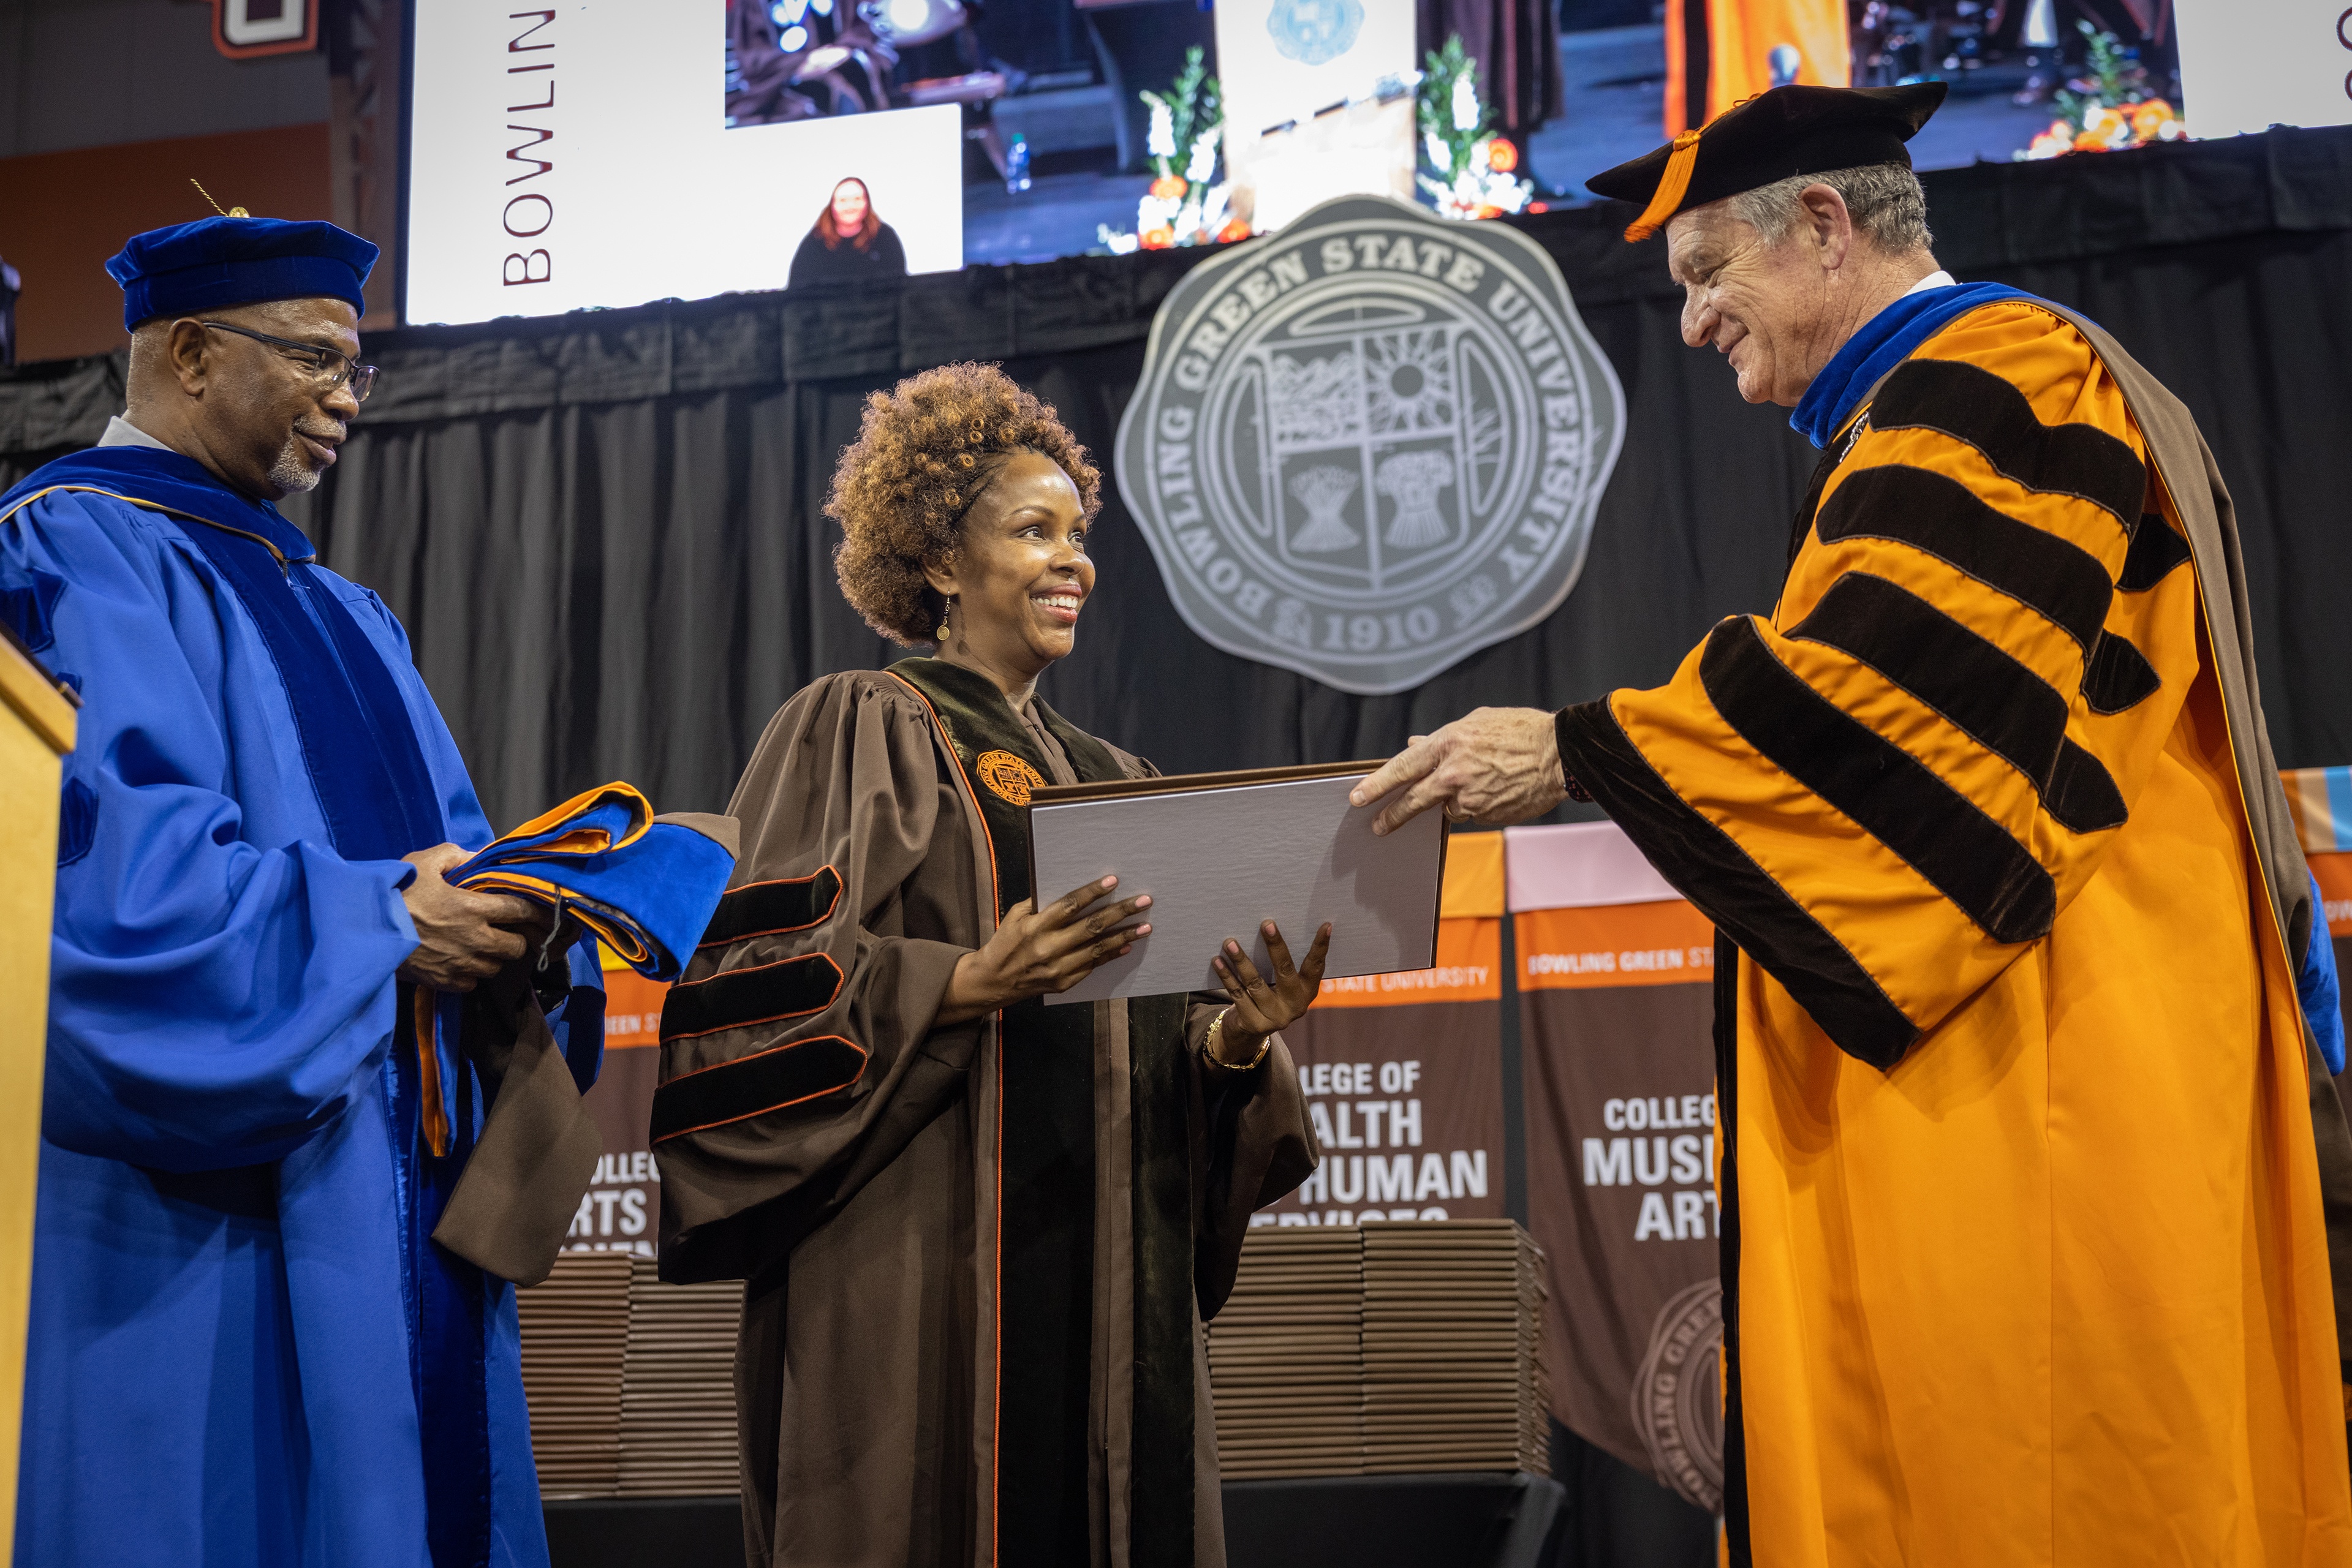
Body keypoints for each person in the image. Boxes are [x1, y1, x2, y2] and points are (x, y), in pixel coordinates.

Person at [1352, 84, 2352, 1564]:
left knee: (2048, 1482)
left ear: (1823, 221)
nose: (1691, 324)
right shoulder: (1943, 403)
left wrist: (1571, 745)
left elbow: (1882, 697)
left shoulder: (2006, 371)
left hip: (2052, 1064)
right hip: (2038, 1042)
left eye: (1706, 274)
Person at [0, 215, 604, 1567]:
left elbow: (452, 855)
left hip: (385, 1197)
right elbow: (96, 910)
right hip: (191, 1229)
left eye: (358, 371)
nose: (346, 399)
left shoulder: (347, 612)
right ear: (196, 355)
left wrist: (524, 927)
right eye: (317, 360)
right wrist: (387, 921)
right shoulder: (63, 555)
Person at [653, 363, 1326, 1567]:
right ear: (943, 563)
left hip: (1113, 1294)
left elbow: (1162, 1045)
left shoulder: (1121, 777)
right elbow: (747, 1005)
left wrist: (1235, 1039)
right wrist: (963, 983)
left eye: (1077, 534)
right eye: (1033, 531)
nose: (1073, 561)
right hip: (916, 1278)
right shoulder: (855, 723)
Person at [786, 176, 907, 290]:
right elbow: (796, 290)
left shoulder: (885, 237)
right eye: (843, 200)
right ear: (832, 205)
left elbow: (900, 286)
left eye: (857, 199)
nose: (850, 206)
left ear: (867, 203)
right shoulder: (814, 242)